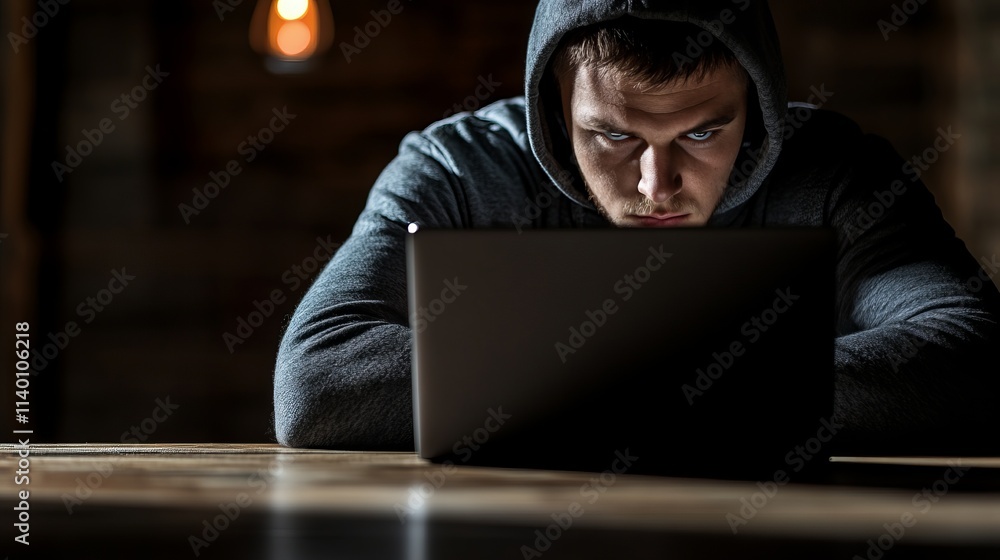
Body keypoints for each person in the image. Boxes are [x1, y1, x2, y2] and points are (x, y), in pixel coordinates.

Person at [273, 0, 1000, 455]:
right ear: (555, 107)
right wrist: (715, 390)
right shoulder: (457, 169)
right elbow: (318, 379)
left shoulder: (836, 172)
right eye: (615, 138)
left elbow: (973, 356)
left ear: (758, 106)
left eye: (704, 133)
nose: (658, 186)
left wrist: (560, 387)